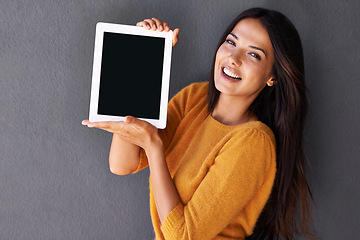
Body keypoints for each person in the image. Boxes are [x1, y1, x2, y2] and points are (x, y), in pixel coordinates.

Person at [82, 7, 316, 240]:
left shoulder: (253, 142)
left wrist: (154, 148)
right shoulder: (194, 98)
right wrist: (143, 60)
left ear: (272, 76)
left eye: (254, 55)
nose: (233, 59)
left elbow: (183, 236)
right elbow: (122, 164)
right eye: (231, 42)